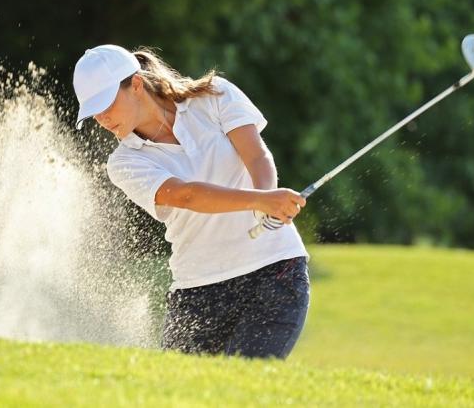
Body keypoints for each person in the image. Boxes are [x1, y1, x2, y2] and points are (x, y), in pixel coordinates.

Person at [72, 44, 310, 359]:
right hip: (198, 291)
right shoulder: (124, 162)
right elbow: (186, 196)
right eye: (94, 112)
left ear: (137, 85)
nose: (102, 118)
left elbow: (256, 155)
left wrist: (265, 199)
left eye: (107, 104)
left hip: (274, 273)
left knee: (244, 387)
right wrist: (261, 200)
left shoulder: (215, 96)